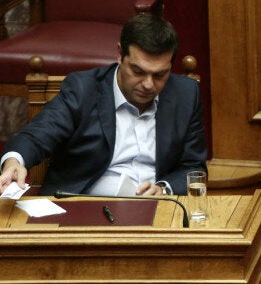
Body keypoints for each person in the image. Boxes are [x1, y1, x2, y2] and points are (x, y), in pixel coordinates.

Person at [0, 13, 207, 197]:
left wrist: (164, 189)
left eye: (160, 74)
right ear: (119, 54)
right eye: (138, 71)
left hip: (157, 211)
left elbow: (193, 168)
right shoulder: (83, 90)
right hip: (84, 209)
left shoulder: (186, 95)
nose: (148, 84)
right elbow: (36, 135)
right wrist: (14, 162)